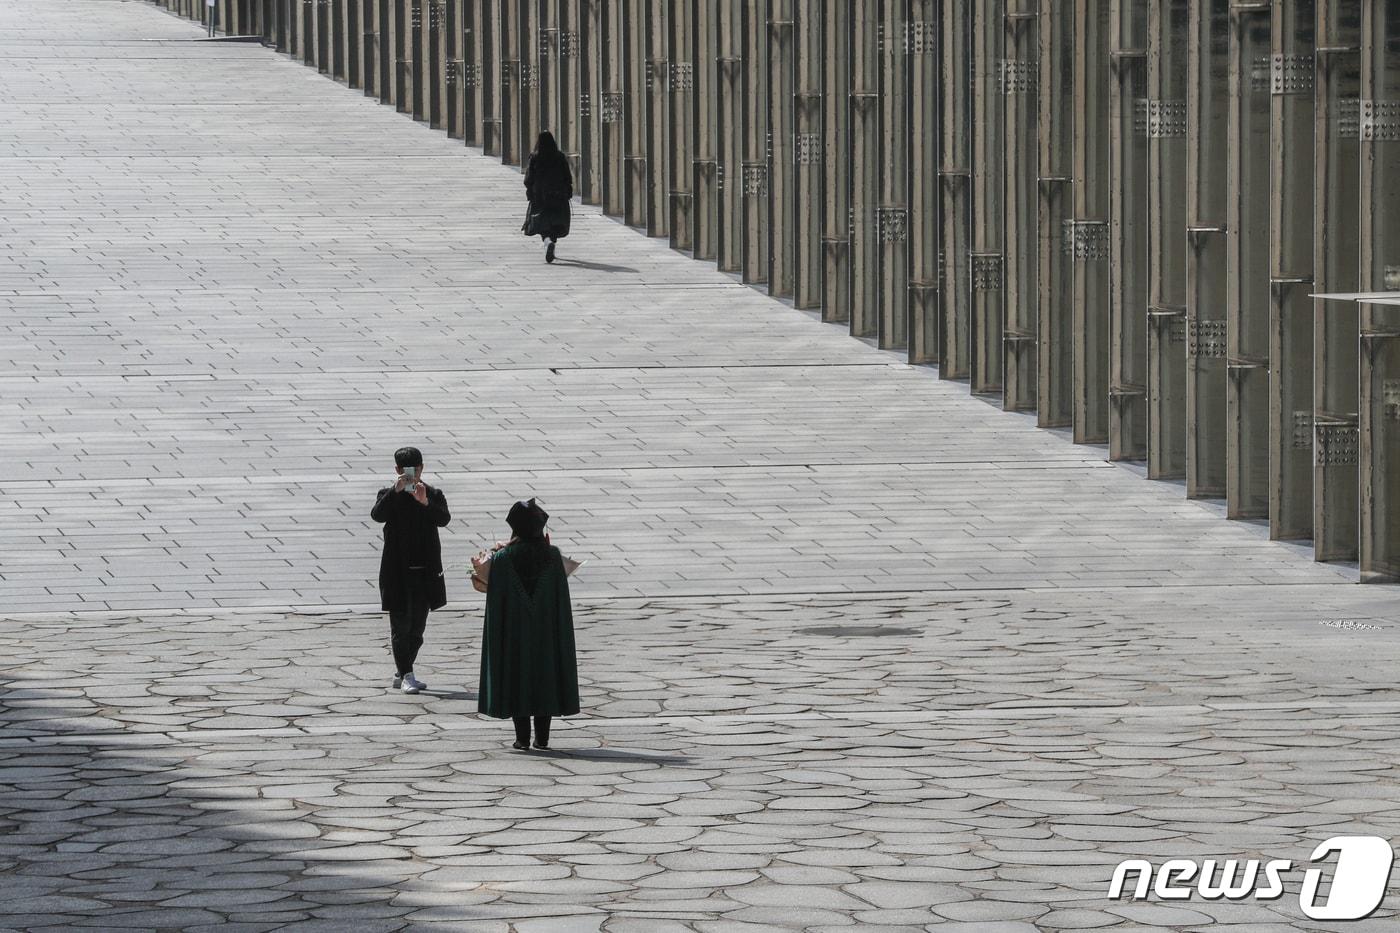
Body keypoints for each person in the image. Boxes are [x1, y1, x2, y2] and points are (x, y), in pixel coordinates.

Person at [473, 499, 579, 749]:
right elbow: (559, 600)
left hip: (514, 633)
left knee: (516, 676)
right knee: (545, 677)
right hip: (546, 633)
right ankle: (542, 737)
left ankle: (522, 738)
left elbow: (496, 599)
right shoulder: (552, 556)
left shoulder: (503, 558)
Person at [370, 447, 451, 694]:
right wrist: (395, 492)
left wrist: (424, 502)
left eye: (415, 470)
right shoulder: (388, 495)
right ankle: (406, 674)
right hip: (398, 573)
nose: (411, 476)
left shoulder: (433, 493)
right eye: (406, 471)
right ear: (397, 471)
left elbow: (444, 519)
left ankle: (403, 669)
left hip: (425, 571)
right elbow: (377, 515)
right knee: (400, 626)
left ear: (422, 469)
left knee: (417, 629)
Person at [522, 131, 573, 264]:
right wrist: (568, 190)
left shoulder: (535, 157)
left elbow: (528, 178)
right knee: (556, 222)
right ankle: (551, 242)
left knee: (542, 223)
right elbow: (567, 176)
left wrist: (530, 192)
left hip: (540, 196)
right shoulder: (560, 156)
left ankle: (548, 241)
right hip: (558, 195)